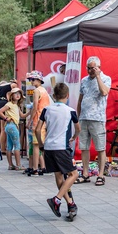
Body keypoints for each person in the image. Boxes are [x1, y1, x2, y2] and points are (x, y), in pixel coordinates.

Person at [36, 83, 80, 221]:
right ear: (67, 96)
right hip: (61, 147)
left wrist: (42, 145)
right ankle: (57, 199)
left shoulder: (46, 110)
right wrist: (74, 137)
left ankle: (71, 204)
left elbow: (37, 130)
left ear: (53, 96)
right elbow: (77, 128)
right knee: (74, 174)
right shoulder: (70, 111)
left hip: (48, 147)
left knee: (59, 177)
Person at [76, 57, 112, 186]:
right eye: (88, 68)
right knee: (84, 147)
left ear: (99, 67)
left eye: (93, 68)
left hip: (97, 118)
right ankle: (85, 173)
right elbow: (80, 99)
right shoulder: (84, 81)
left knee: (100, 148)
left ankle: (101, 175)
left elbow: (104, 92)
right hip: (84, 118)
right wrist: (78, 118)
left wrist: (98, 77)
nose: (90, 70)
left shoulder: (106, 78)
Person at [26, 71, 50, 176]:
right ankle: (43, 166)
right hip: (44, 120)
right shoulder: (44, 90)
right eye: (30, 79)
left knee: (36, 145)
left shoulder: (36, 91)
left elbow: (35, 107)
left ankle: (35, 168)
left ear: (39, 80)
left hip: (37, 120)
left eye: (33, 79)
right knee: (41, 144)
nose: (31, 81)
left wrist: (30, 121)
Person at [0, 86, 25, 170]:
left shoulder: (17, 106)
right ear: (11, 95)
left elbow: (22, 115)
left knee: (9, 146)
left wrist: (30, 111)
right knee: (17, 145)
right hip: (12, 125)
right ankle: (18, 165)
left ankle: (10, 165)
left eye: (19, 94)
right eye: (15, 94)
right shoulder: (9, 104)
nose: (17, 95)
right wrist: (5, 118)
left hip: (9, 126)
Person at [0, 79, 15, 154]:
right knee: (3, 129)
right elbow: (14, 85)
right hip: (2, 104)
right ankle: (2, 148)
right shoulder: (7, 87)